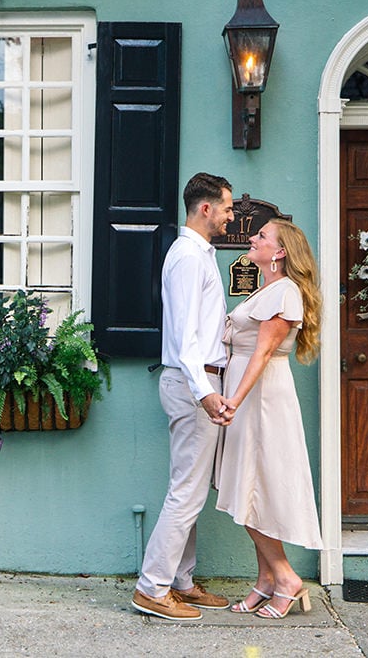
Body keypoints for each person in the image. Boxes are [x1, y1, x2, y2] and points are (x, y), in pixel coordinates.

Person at [131, 173, 237, 621]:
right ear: (206, 209)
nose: (233, 215)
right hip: (194, 385)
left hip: (199, 381)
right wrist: (205, 392)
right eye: (228, 207)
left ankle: (182, 581)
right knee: (186, 493)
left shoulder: (199, 254)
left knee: (189, 489)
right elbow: (184, 335)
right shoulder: (189, 257)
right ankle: (151, 587)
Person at [213, 218, 323, 619]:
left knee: (254, 485)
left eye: (261, 236)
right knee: (250, 486)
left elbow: (261, 354)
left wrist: (233, 402)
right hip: (249, 392)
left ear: (279, 252)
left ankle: (286, 577)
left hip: (260, 398)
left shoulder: (285, 293)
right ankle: (265, 580)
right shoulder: (268, 289)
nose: (253, 239)